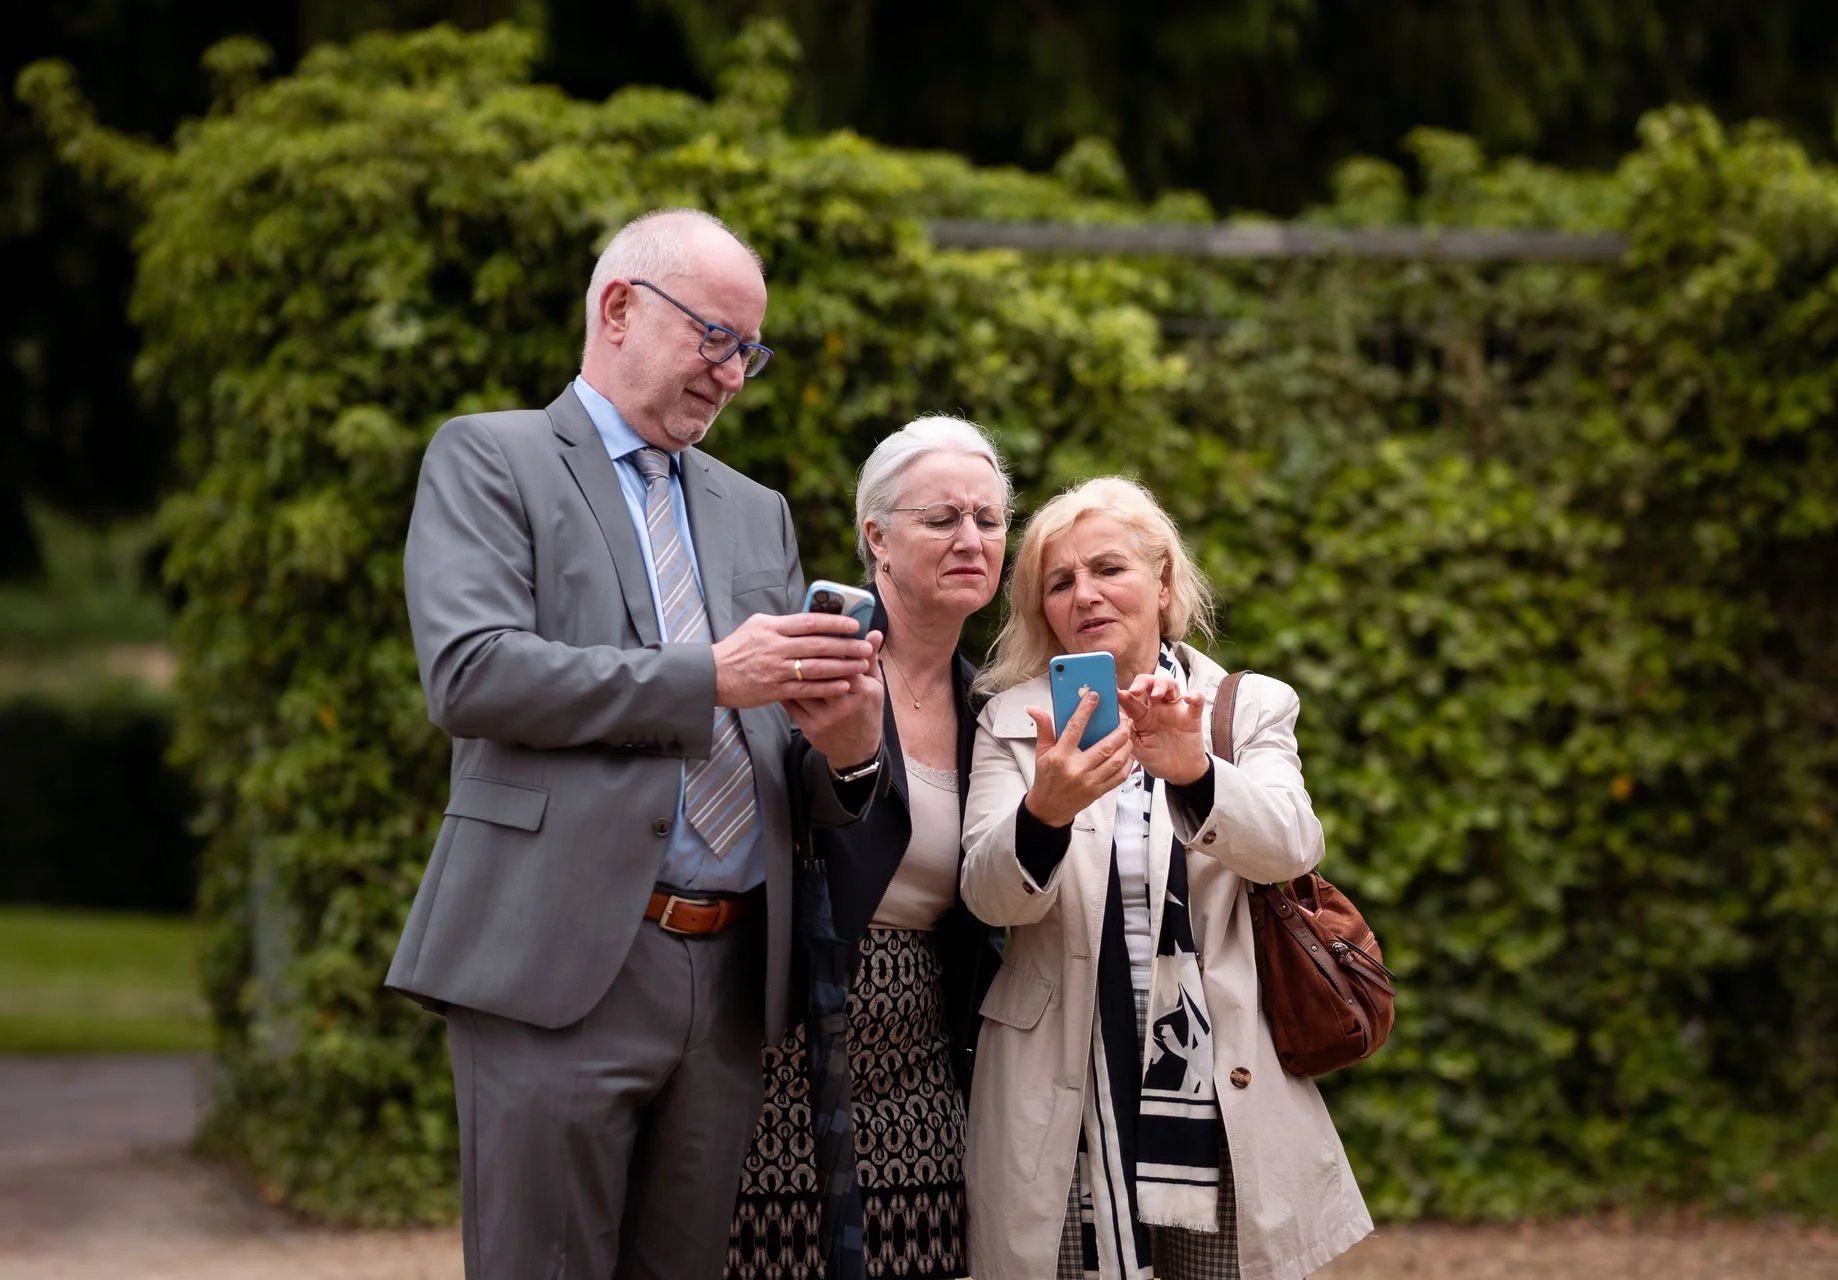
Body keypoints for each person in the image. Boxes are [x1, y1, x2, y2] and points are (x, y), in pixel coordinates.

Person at [386, 208, 890, 1280]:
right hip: (554, 959)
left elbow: (770, 740)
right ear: (620, 307)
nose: (734, 375)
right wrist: (712, 674)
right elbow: (473, 670)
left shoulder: (757, 510)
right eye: (716, 338)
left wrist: (846, 750)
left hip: (728, 978)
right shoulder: (491, 456)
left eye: (749, 350)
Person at [960, 476, 1373, 1279]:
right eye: (1059, 581)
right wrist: (1043, 812)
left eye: (1108, 568)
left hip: (1216, 1092)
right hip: (1063, 1088)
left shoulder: (1244, 707)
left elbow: (1294, 845)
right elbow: (985, 893)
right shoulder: (1012, 720)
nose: (1085, 594)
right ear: (1041, 608)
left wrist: (1196, 771)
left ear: (1162, 582)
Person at [728, 415, 1010, 1280]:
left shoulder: (995, 708)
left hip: (929, 1058)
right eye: (942, 519)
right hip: (786, 1046)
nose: (972, 539)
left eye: (990, 520)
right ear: (876, 539)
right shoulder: (806, 663)